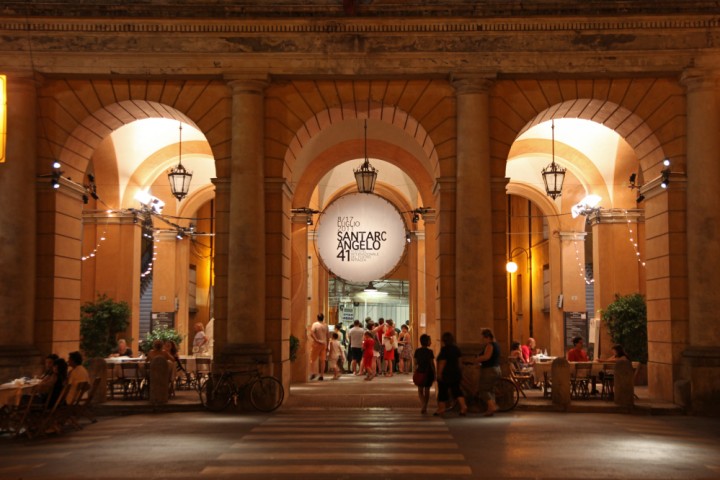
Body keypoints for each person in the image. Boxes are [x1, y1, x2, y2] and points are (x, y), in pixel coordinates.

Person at [435, 332, 467, 416]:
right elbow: (460, 362)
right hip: (456, 373)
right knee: (457, 391)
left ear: (444, 341)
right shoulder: (456, 349)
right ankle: (463, 407)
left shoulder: (444, 350)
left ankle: (441, 409)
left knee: (442, 392)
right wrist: (460, 372)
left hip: (446, 374)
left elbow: (442, 362)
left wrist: (439, 374)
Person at [476, 328, 501, 416]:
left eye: (483, 338)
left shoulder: (490, 345)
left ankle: (492, 406)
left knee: (483, 390)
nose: (482, 340)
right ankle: (490, 410)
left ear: (487, 337)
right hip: (496, 369)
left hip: (489, 370)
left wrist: (477, 359)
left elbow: (487, 357)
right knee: (491, 390)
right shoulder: (496, 345)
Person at [413, 334, 435, 414]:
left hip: (420, 371)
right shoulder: (430, 352)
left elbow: (415, 363)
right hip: (429, 372)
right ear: (427, 342)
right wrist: (435, 374)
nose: (431, 342)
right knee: (427, 389)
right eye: (430, 340)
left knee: (420, 390)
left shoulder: (417, 351)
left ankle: (423, 405)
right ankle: (425, 405)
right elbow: (432, 364)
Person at [309, 313, 329, 381]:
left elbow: (311, 333)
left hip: (316, 344)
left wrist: (316, 340)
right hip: (324, 344)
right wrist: (327, 345)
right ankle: (322, 375)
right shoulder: (325, 325)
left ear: (317, 318)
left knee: (312, 360)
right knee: (323, 360)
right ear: (323, 318)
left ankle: (313, 373)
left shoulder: (315, 324)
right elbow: (328, 336)